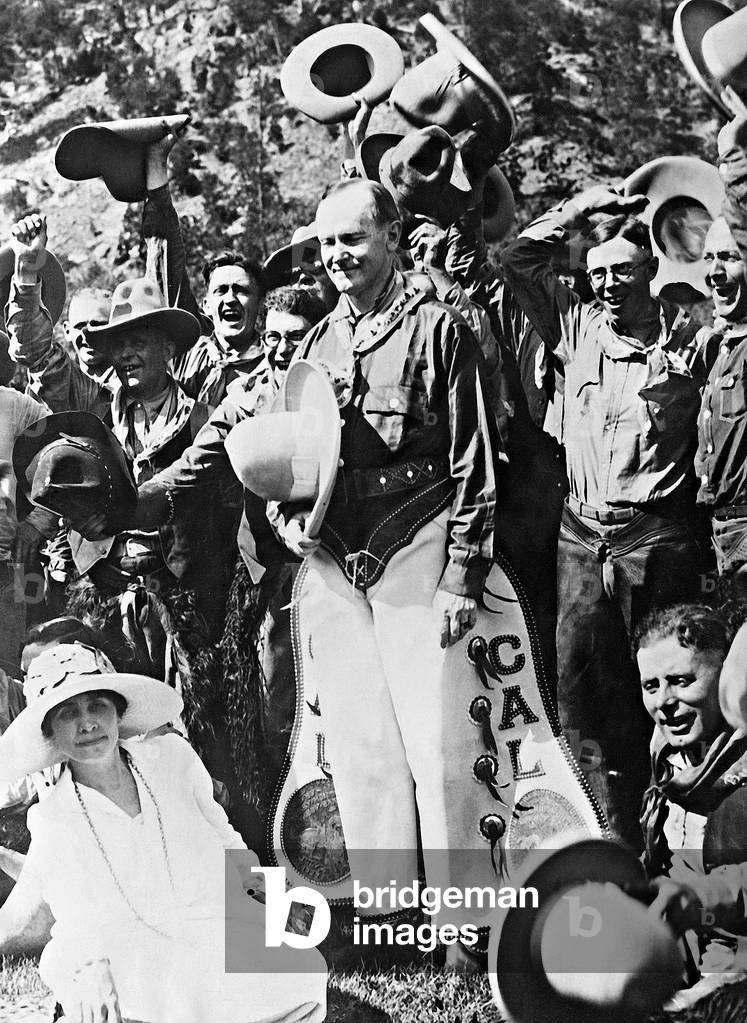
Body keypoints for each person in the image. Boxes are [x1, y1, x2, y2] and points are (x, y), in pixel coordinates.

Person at [271, 178, 499, 965]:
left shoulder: (440, 328)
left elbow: (474, 460)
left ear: (393, 237)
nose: (337, 256)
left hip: (420, 544)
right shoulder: (316, 345)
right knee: (362, 744)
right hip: (339, 557)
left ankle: (464, 925)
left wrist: (461, 572)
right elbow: (298, 460)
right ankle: (389, 917)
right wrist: (285, 513)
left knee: (439, 739)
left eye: (352, 239)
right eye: (327, 242)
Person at [501, 186, 712, 848]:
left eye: (621, 269)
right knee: (574, 693)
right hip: (580, 536)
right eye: (596, 272)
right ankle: (604, 835)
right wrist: (584, 205)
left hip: (656, 537)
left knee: (664, 688)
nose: (607, 283)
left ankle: (673, 833)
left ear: (650, 268)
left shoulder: (692, 340)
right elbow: (515, 257)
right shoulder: (574, 325)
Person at [0, 642, 327, 1022]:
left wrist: (264, 887)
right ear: (51, 733)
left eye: (97, 706)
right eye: (68, 713)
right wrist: (88, 967)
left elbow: (222, 834)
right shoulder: (54, 816)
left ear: (118, 713)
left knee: (303, 969)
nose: (87, 723)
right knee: (142, 997)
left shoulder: (172, 757)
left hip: (207, 922)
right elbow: (76, 915)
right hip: (129, 946)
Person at [131, 284, 327, 848]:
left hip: (348, 566)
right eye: (271, 338)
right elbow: (199, 459)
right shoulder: (245, 396)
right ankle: (289, 843)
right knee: (277, 710)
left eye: (294, 338)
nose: (278, 350)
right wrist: (143, 498)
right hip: (272, 575)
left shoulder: (340, 383)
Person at [636, 604, 747, 1009]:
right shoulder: (665, 755)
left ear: (725, 676)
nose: (665, 702)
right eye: (651, 686)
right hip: (684, 954)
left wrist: (699, 897)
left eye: (682, 681)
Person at [142, 133, 267, 405]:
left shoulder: (277, 358)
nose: (230, 299)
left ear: (260, 304)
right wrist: (156, 166)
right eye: (221, 290)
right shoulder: (189, 354)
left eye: (242, 290)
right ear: (206, 305)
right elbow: (166, 267)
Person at [695, 105, 747, 592]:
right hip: (716, 536)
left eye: (729, 257)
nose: (714, 271)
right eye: (708, 257)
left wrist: (734, 165)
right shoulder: (717, 347)